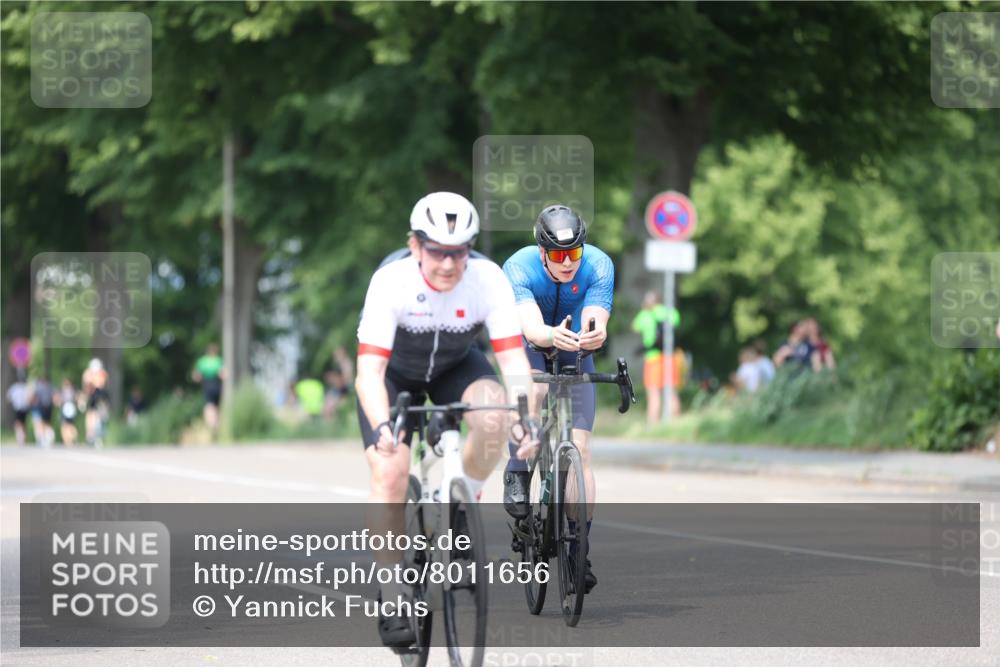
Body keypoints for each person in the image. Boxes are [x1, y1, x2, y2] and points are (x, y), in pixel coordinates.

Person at [355, 191, 539, 650]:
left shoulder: (488, 279)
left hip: (457, 363)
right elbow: (369, 373)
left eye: (459, 251)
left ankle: (462, 500)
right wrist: (382, 429)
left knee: (496, 413)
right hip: (396, 373)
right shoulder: (389, 282)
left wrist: (525, 419)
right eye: (436, 250)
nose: (448, 263)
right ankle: (395, 595)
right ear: (415, 245)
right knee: (391, 469)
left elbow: (514, 363)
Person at [501, 204, 614, 595]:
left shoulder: (598, 265)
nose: (568, 263)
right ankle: (517, 470)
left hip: (575, 347)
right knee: (532, 389)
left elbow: (596, 317)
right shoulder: (518, 267)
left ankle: (578, 548)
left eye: (575, 253)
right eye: (558, 255)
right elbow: (530, 327)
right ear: (542, 252)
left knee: (580, 449)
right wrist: (549, 335)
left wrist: (595, 333)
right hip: (532, 343)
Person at [631, 290, 681, 423]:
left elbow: (635, 328)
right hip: (670, 356)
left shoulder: (645, 313)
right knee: (671, 391)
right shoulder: (670, 312)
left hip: (653, 358)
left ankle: (653, 424)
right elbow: (677, 323)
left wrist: (644, 310)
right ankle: (675, 424)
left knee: (653, 393)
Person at [192, 343, 225, 436]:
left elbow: (196, 376)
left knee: (209, 406)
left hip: (207, 385)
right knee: (216, 406)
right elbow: (223, 374)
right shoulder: (219, 361)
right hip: (217, 385)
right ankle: (216, 425)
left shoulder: (202, 361)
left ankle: (211, 424)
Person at [81, 358, 110, 446]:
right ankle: (92, 435)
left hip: (97, 396)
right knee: (93, 415)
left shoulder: (90, 374)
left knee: (94, 416)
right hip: (97, 396)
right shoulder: (101, 373)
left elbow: (86, 386)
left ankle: (93, 435)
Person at [30, 375, 56, 447]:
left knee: (42, 423)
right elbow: (54, 397)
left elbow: (34, 397)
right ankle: (48, 438)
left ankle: (44, 439)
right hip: (49, 407)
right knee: (47, 423)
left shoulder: (38, 387)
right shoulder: (51, 387)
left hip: (41, 407)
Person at [6, 372, 31, 445]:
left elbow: (9, 398)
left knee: (18, 424)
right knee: (23, 423)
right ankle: (23, 438)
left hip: (18, 408)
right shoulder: (26, 387)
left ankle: (20, 438)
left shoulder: (14, 387)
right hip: (25, 408)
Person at [56, 378, 80, 446]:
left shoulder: (68, 390)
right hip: (67, 409)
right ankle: (68, 440)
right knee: (67, 425)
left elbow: (57, 399)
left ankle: (69, 439)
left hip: (68, 409)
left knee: (67, 425)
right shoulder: (71, 390)